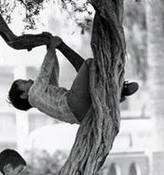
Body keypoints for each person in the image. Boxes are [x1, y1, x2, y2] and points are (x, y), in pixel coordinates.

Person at [8, 35, 139, 124]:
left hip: (82, 116)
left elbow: (52, 74)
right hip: (72, 102)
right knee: (88, 64)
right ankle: (120, 89)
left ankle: (117, 94)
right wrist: (53, 47)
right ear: (24, 95)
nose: (29, 80)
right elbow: (44, 73)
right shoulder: (33, 94)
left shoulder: (40, 100)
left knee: (94, 85)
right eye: (24, 83)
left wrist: (50, 48)